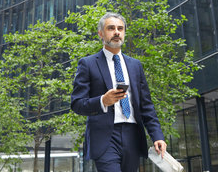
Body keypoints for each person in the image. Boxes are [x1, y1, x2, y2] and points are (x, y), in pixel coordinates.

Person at [71, 12, 167, 171]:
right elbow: (76, 104)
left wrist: (157, 135)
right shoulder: (87, 64)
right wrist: (102, 101)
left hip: (133, 135)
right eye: (111, 28)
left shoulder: (136, 65)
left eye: (120, 28)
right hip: (105, 137)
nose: (116, 32)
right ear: (101, 33)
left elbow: (146, 105)